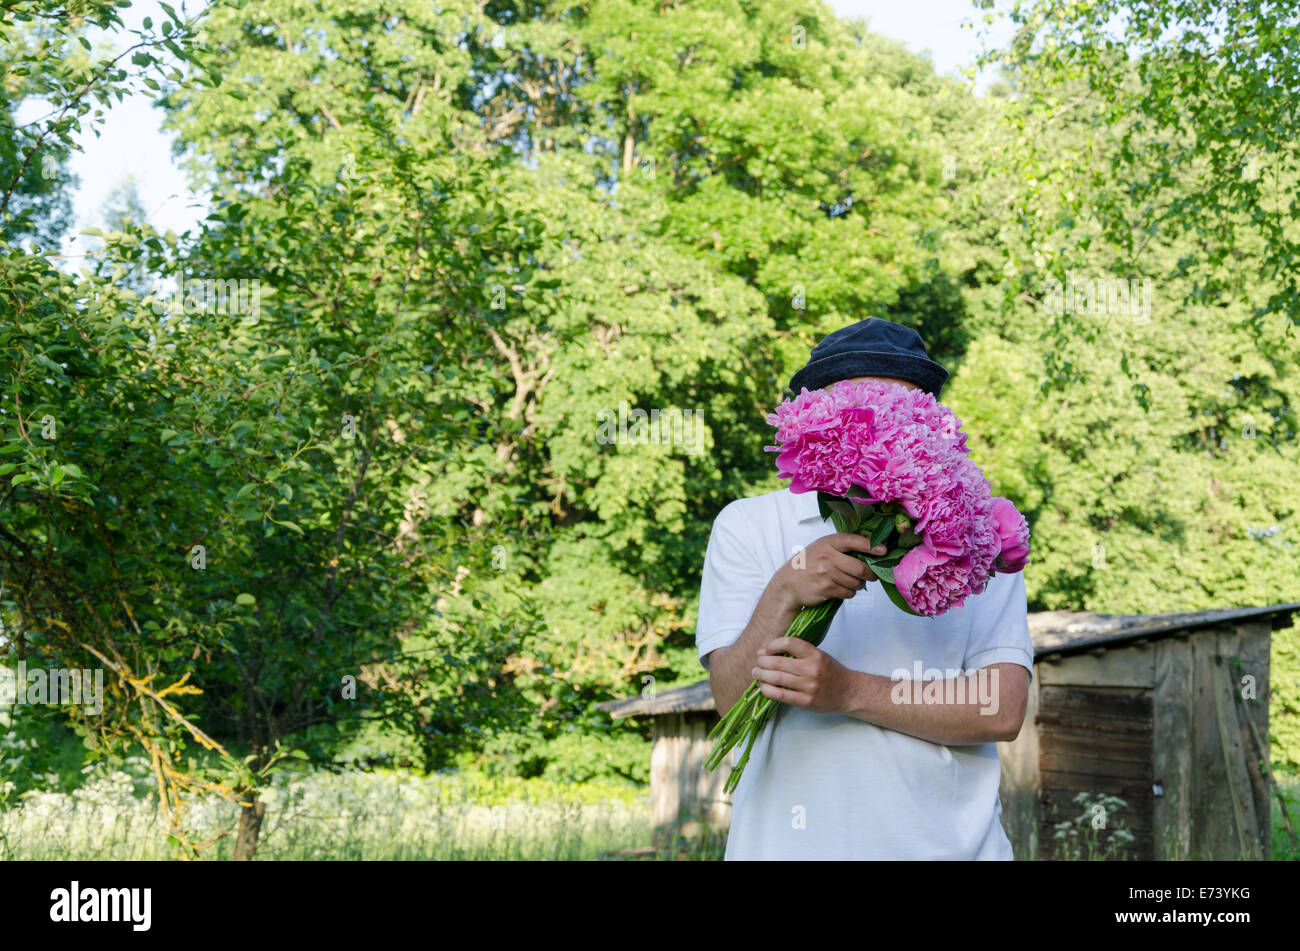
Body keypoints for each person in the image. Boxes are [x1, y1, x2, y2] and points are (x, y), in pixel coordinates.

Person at [696, 317, 1034, 860]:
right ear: (818, 416)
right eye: (860, 407)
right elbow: (729, 699)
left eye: (902, 410)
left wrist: (848, 691)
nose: (882, 426)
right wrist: (783, 591)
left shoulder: (977, 535)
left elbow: (1001, 710)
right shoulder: (747, 525)